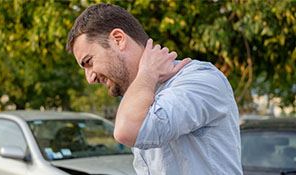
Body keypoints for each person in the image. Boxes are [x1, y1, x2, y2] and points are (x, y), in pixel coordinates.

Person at [66, 3, 243, 175]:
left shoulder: (199, 79)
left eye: (88, 62)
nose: (90, 79)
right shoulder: (140, 96)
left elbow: (127, 131)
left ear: (118, 39)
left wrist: (148, 73)